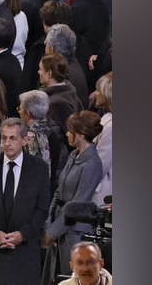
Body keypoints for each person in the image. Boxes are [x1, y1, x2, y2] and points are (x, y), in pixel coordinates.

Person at [0, 117, 52, 285]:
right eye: (4, 138)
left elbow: (42, 209)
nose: (7, 143)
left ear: (25, 140)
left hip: (24, 255)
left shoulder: (39, 169)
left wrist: (22, 235)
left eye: (12, 138)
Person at [44, 110, 104, 271]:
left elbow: (78, 204)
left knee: (70, 275)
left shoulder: (92, 164)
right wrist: (49, 221)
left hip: (74, 232)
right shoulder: (73, 155)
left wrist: (53, 232)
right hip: (59, 225)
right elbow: (59, 191)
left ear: (81, 135)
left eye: (70, 131)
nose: (67, 134)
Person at [91, 73, 112, 203]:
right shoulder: (106, 120)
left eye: (98, 90)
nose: (95, 94)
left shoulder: (111, 128)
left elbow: (99, 165)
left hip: (102, 192)